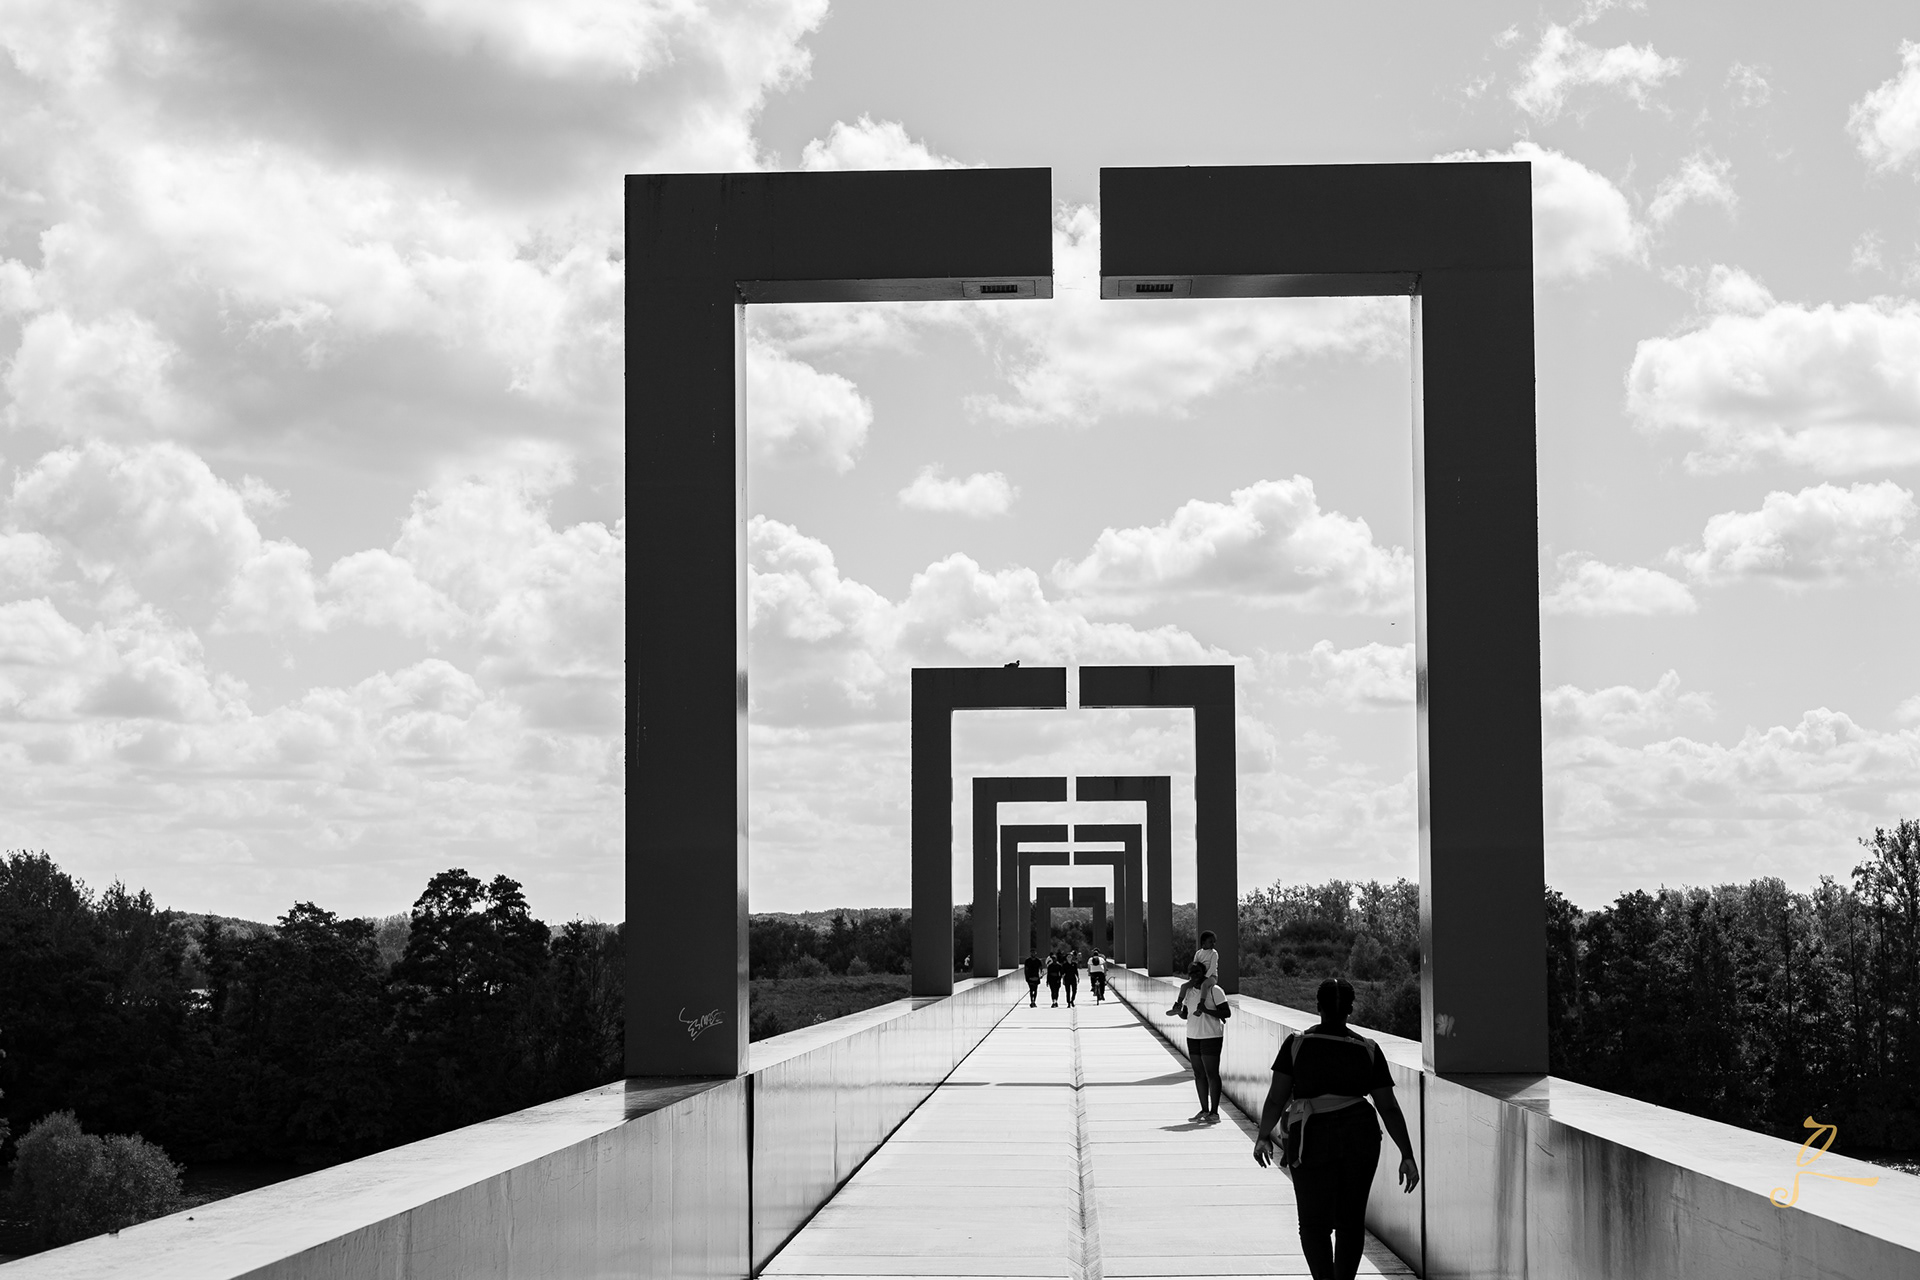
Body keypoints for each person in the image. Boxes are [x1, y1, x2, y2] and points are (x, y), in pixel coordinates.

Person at [1252, 978, 1419, 1280]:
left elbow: (1276, 1098)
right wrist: (1406, 1154)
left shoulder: (1297, 1044)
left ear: (1318, 1007)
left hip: (1311, 1138)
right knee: (1350, 1222)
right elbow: (1388, 1107)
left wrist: (1264, 1136)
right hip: (1360, 1135)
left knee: (1313, 1224)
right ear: (1350, 1010)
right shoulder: (1368, 1049)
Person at [1165, 960, 1228, 1122]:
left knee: (1212, 1074)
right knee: (1199, 1074)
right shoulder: (1189, 992)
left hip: (1211, 1036)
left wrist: (1206, 1010)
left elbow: (1226, 1013)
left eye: (1197, 972)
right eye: (1191, 973)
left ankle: (1214, 1112)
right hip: (1193, 1036)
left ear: (1204, 973)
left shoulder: (1215, 990)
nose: (1194, 976)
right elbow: (1186, 1015)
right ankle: (1204, 1110)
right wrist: (1179, 1012)